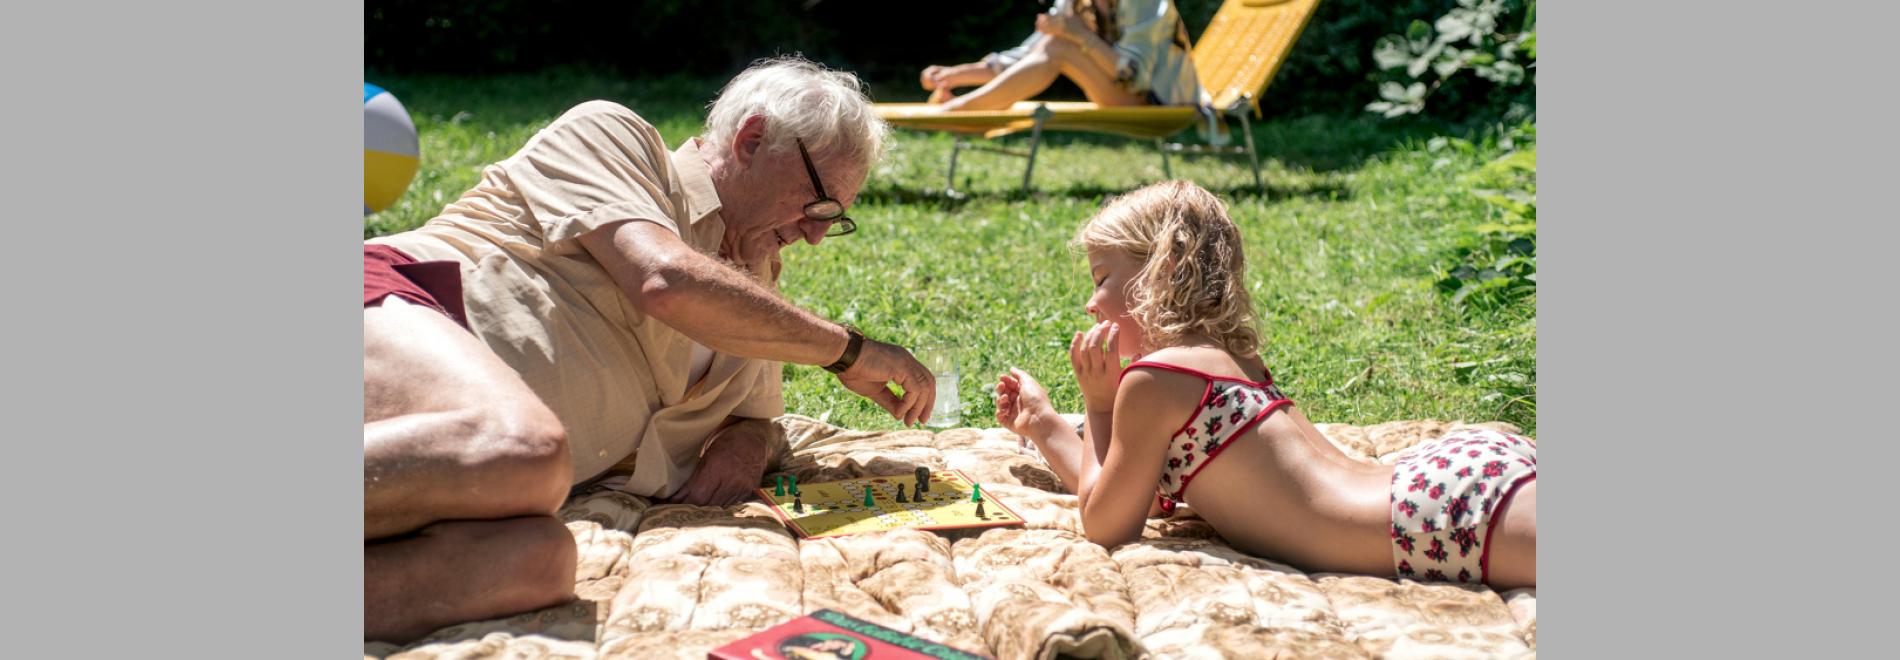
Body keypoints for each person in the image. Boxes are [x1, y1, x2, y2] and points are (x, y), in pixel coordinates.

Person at [362, 56, 938, 642]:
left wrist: (747, 443)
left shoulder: (755, 284)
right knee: (522, 448)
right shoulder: (611, 136)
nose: (816, 234)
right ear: (752, 140)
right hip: (392, 304)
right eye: (819, 205)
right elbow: (665, 279)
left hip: (459, 464)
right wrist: (848, 352)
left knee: (540, 562)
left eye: (835, 219)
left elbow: (757, 417)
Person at [992, 181, 1536, 588]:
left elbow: (1107, 523)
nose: (1091, 303)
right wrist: (1044, 425)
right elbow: (1136, 495)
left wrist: (1100, 405)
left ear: (1164, 268)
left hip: (1428, 519)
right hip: (1438, 482)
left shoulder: (1153, 381)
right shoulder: (1231, 357)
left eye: (1102, 278)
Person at [920, 0, 1203, 112]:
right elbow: (1029, 56)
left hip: (1164, 102)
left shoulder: (1147, 3)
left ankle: (963, 109)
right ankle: (969, 108)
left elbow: (1135, 76)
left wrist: (1082, 36)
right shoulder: (1076, 3)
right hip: (1124, 94)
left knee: (1061, 46)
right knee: (1056, 42)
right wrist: (956, 75)